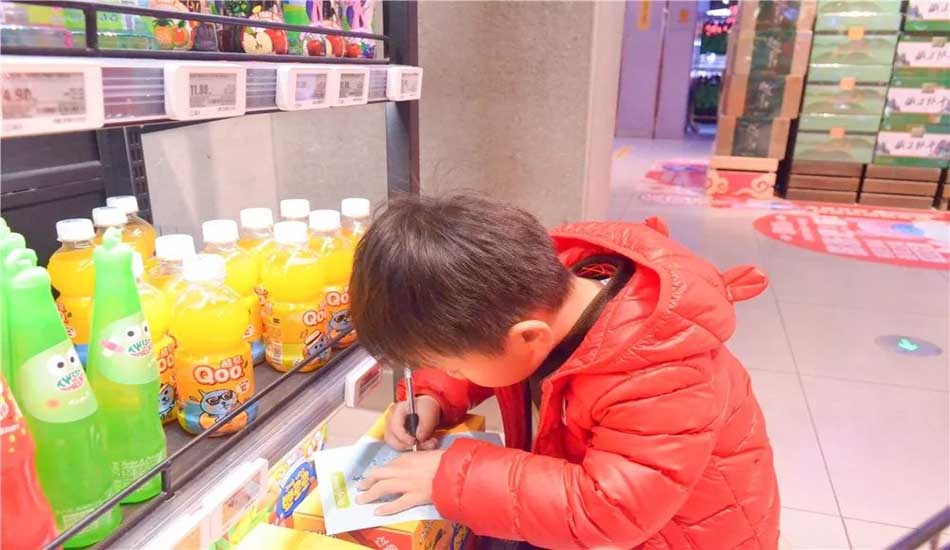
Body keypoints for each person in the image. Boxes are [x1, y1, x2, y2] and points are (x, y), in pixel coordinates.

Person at [349, 194, 779, 549]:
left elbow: (608, 510)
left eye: (453, 365)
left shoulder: (663, 376)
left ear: (528, 337)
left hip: (678, 536)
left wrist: (449, 477)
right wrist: (434, 395)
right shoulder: (534, 294)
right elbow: (490, 353)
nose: (452, 371)